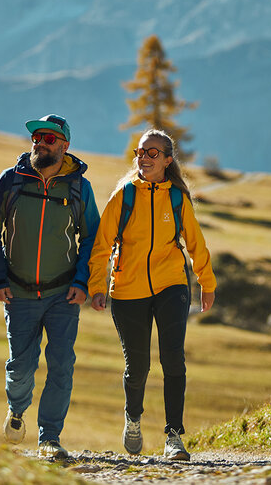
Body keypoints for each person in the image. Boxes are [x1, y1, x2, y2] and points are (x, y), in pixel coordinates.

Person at [88, 129, 217, 461]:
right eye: (140, 152)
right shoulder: (124, 196)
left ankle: (174, 436)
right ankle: (133, 418)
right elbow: (101, 246)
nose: (143, 158)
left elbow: (195, 242)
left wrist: (207, 282)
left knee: (173, 359)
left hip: (171, 284)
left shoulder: (177, 198)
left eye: (152, 153)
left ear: (168, 160)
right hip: (128, 289)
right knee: (138, 367)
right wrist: (97, 287)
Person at [0, 114, 100, 460]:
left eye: (49, 139)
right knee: (20, 367)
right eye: (36, 137)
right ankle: (17, 409)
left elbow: (92, 237)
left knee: (61, 365)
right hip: (18, 292)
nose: (40, 143)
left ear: (65, 146)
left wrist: (82, 281)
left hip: (63, 294)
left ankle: (50, 436)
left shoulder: (79, 187)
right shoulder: (11, 181)